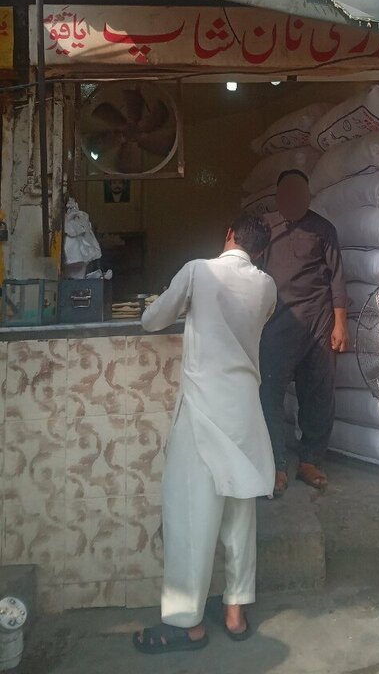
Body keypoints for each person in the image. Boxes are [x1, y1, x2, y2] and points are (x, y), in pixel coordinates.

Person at [133, 214, 276, 655]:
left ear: (228, 235)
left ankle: (186, 624)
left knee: (189, 519)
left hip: (203, 410)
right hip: (245, 413)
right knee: (240, 517)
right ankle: (235, 612)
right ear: (260, 249)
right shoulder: (267, 286)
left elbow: (153, 320)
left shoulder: (198, 270)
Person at [260, 169, 348, 496]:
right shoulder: (266, 228)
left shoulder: (323, 229)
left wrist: (340, 323)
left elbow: (337, 278)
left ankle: (310, 460)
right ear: (278, 196)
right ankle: (276, 464)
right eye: (289, 193)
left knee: (318, 393)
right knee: (269, 392)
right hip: (277, 322)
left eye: (301, 193)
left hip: (319, 322)